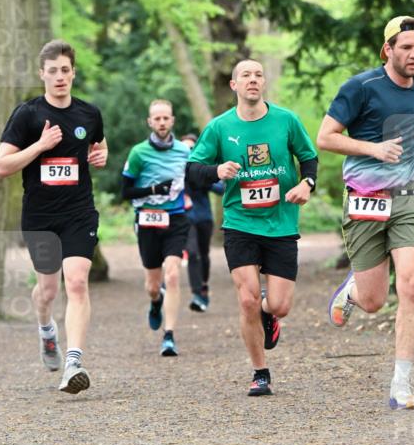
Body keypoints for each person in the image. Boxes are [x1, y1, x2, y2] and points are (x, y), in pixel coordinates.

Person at [317, 15, 414, 410]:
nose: (413, 54)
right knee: (374, 300)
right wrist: (373, 149)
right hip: (365, 198)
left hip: (408, 198)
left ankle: (401, 385)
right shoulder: (361, 88)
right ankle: (354, 290)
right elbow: (325, 138)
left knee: (411, 285)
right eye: (405, 47)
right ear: (387, 49)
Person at [187, 59, 318, 397]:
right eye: (246, 75)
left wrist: (308, 183)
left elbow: (309, 157)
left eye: (259, 74)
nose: (253, 80)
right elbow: (192, 171)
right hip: (240, 222)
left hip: (281, 222)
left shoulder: (285, 120)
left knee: (280, 305)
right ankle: (260, 372)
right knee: (245, 300)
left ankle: (268, 311)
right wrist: (217, 171)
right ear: (234, 85)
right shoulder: (219, 127)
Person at [0, 39, 107, 394]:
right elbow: (1, 166)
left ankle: (73, 361)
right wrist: (40, 146)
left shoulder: (89, 113)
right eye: (53, 71)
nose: (60, 77)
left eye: (65, 70)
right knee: (47, 290)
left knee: (75, 282)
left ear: (74, 73)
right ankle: (46, 331)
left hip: (79, 213)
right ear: (42, 73)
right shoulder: (27, 114)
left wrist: (100, 155)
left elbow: (99, 145)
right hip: (41, 216)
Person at [121, 100, 191, 357]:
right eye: (157, 119)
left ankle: (169, 335)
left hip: (175, 219)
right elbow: (125, 191)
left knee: (172, 274)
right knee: (153, 284)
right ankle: (155, 302)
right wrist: (152, 189)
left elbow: (195, 177)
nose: (162, 122)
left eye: (166, 118)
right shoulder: (138, 153)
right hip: (147, 221)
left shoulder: (185, 151)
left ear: (172, 121)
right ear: (150, 122)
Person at [180, 131, 224, 312]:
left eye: (191, 147)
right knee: (192, 253)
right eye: (184, 148)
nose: (188, 151)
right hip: (185, 217)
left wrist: (203, 178)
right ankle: (196, 294)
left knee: (204, 254)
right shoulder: (175, 169)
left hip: (204, 216)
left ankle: (204, 286)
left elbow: (220, 188)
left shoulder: (203, 167)